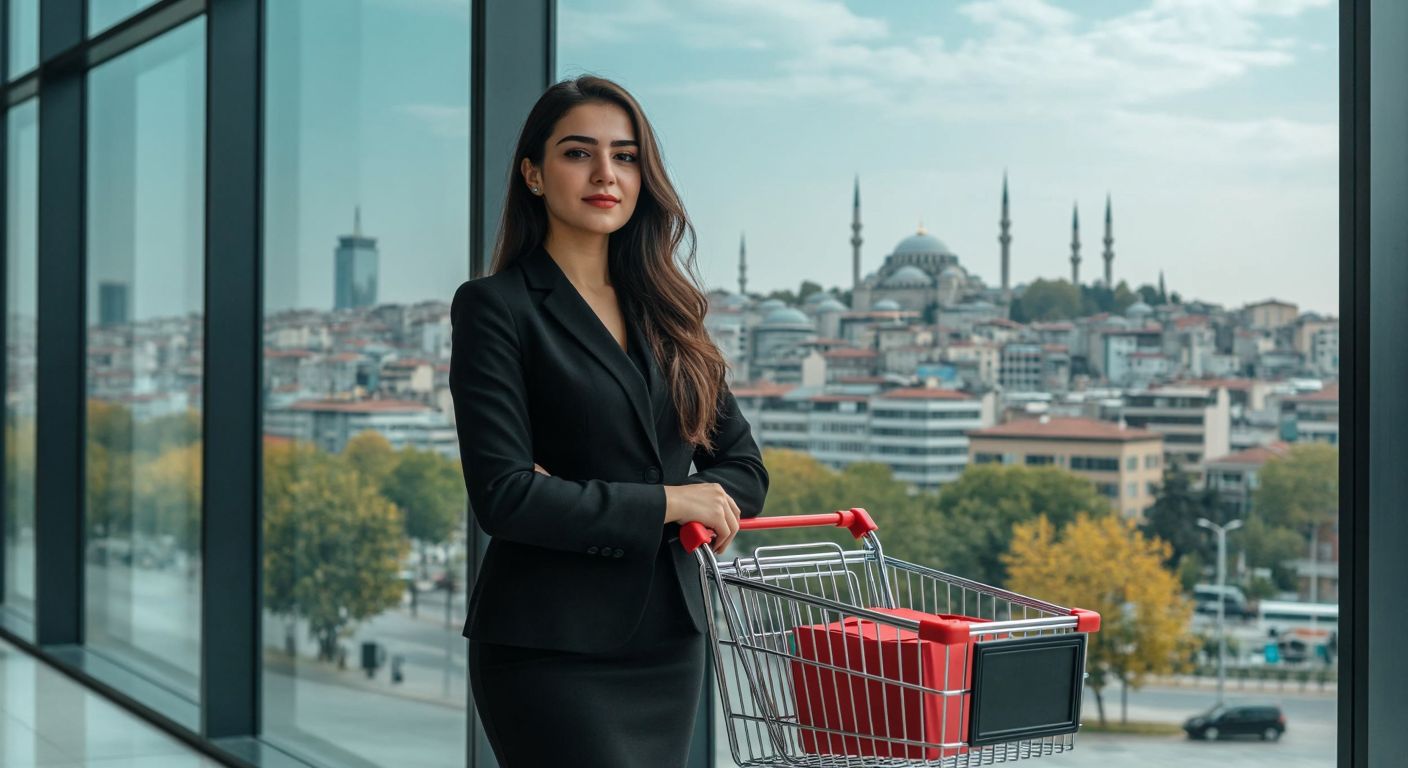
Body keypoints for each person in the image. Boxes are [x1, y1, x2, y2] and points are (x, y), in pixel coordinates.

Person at [449, 75, 769, 767]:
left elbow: (742, 469)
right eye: (577, 153)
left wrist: (578, 495)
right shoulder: (496, 307)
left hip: (669, 640)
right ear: (533, 173)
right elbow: (506, 496)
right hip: (548, 648)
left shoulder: (669, 310)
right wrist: (669, 500)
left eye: (625, 156)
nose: (605, 175)